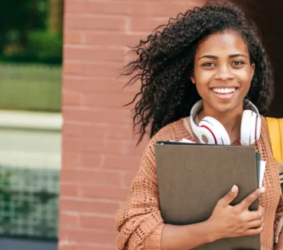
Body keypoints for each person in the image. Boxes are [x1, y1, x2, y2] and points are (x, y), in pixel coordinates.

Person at [115, 1, 283, 250]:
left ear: (251, 71)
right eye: (209, 64)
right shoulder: (167, 141)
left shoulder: (276, 136)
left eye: (236, 63)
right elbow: (132, 236)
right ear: (193, 75)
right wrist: (212, 230)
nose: (224, 74)